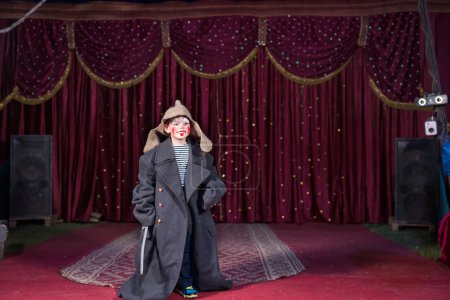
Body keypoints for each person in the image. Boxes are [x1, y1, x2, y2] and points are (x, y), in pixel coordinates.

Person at [118, 100, 232, 300]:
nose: (181, 127)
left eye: (185, 123)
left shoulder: (202, 156)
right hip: (166, 213)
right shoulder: (150, 158)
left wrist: (204, 201)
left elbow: (216, 183)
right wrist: (148, 216)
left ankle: (186, 281)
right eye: (176, 123)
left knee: (188, 245)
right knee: (170, 249)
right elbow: (144, 189)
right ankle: (175, 282)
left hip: (192, 211)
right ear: (166, 127)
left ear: (191, 128)